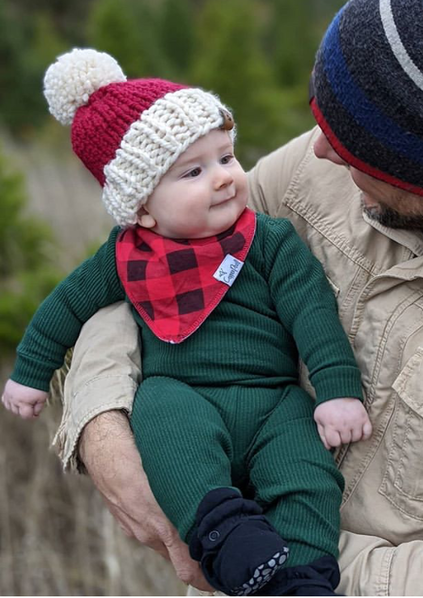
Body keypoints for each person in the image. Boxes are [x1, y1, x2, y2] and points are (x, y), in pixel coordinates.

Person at [40, 0, 423, 595]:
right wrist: (102, 418)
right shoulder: (314, 170)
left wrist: (273, 561)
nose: (316, 148)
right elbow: (152, 265)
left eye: (351, 147)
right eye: (321, 117)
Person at [2, 48, 373, 596]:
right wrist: (30, 373)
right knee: (167, 431)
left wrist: (337, 391)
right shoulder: (124, 257)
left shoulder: (268, 241)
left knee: (305, 473)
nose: (223, 179)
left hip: (272, 396)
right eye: (194, 171)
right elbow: (67, 306)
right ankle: (227, 536)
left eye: (226, 157)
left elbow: (312, 313)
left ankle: (304, 575)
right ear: (144, 208)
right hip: (184, 390)